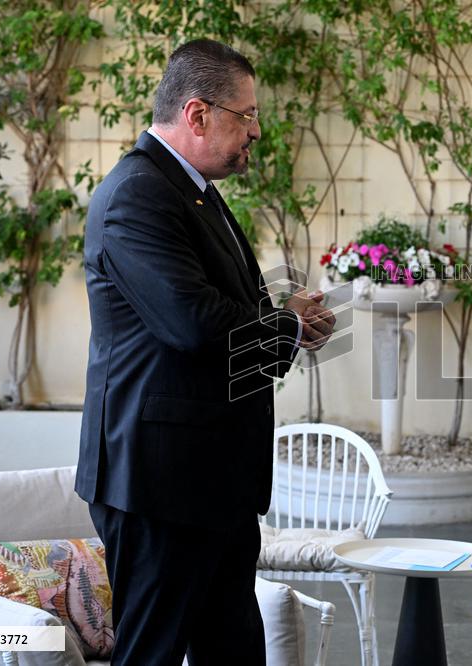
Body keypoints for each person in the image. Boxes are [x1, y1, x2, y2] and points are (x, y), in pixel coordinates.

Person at [75, 39, 335, 665]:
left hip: (210, 479)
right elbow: (192, 324)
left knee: (233, 648)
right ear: (197, 114)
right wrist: (287, 326)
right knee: (155, 652)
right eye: (245, 115)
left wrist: (289, 328)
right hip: (160, 483)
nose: (256, 130)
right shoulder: (136, 195)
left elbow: (219, 323)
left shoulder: (188, 189)